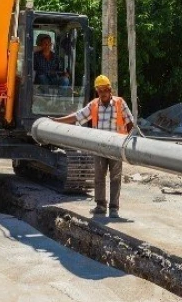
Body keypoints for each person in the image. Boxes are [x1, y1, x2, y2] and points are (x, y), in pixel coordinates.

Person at [53, 74, 135, 218]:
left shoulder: (119, 103)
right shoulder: (94, 105)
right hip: (99, 146)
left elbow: (130, 123)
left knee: (115, 177)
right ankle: (100, 205)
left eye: (104, 90)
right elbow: (77, 116)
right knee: (99, 176)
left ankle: (114, 208)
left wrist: (132, 144)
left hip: (117, 146)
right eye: (99, 90)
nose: (102, 93)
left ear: (110, 90)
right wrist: (56, 121)